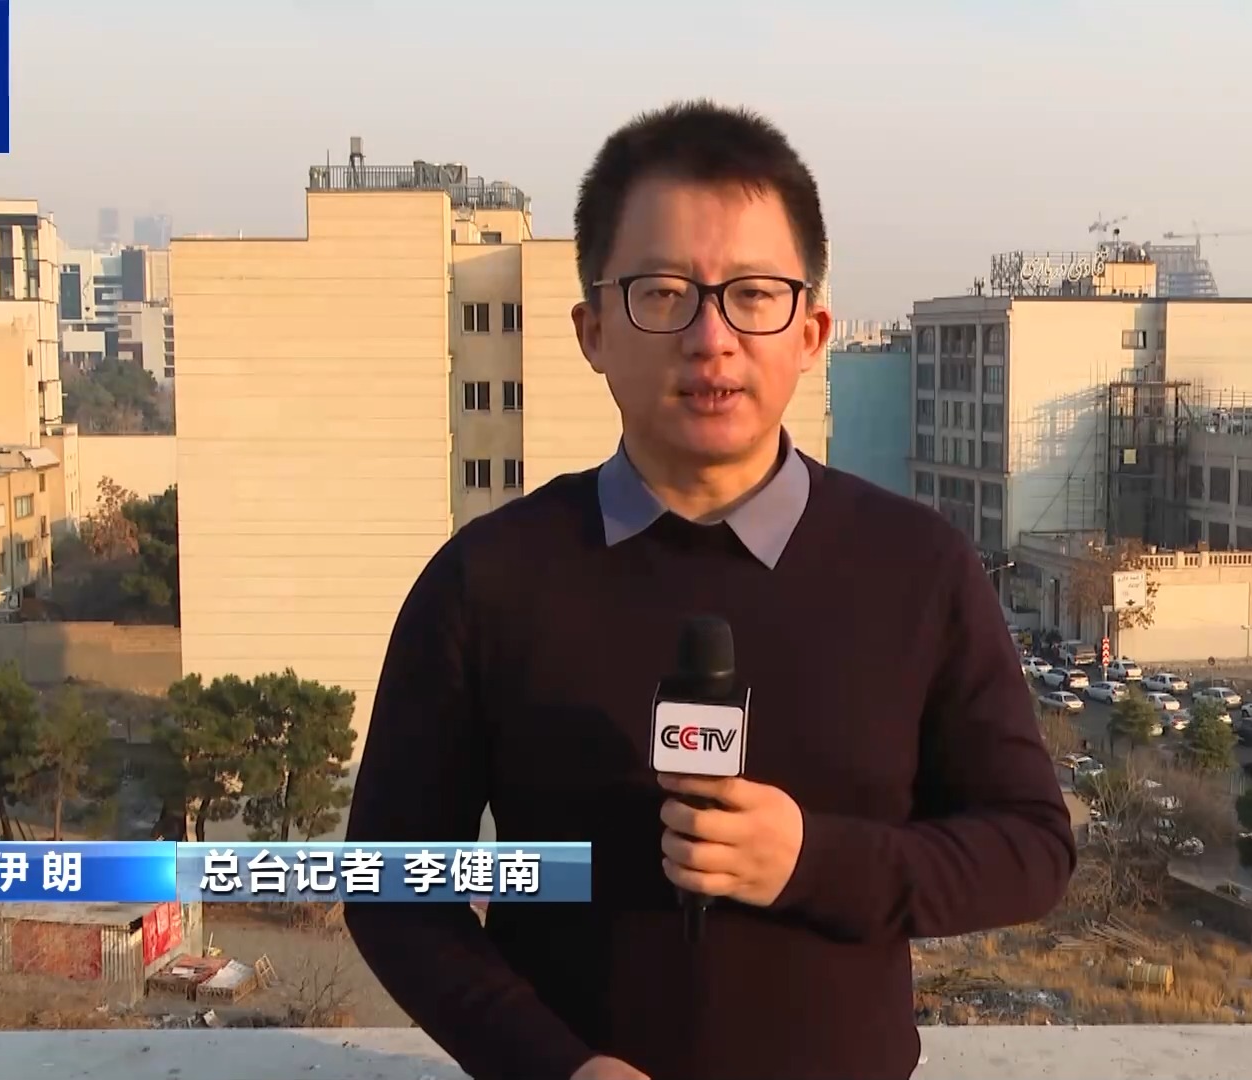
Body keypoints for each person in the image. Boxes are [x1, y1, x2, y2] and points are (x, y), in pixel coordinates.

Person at [343, 100, 1076, 1080]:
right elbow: (393, 888)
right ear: (592, 330)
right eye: (663, 294)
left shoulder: (918, 569)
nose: (711, 337)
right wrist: (553, 1066)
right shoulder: (488, 580)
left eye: (753, 295)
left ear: (811, 331)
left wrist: (810, 860)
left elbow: (1030, 850)